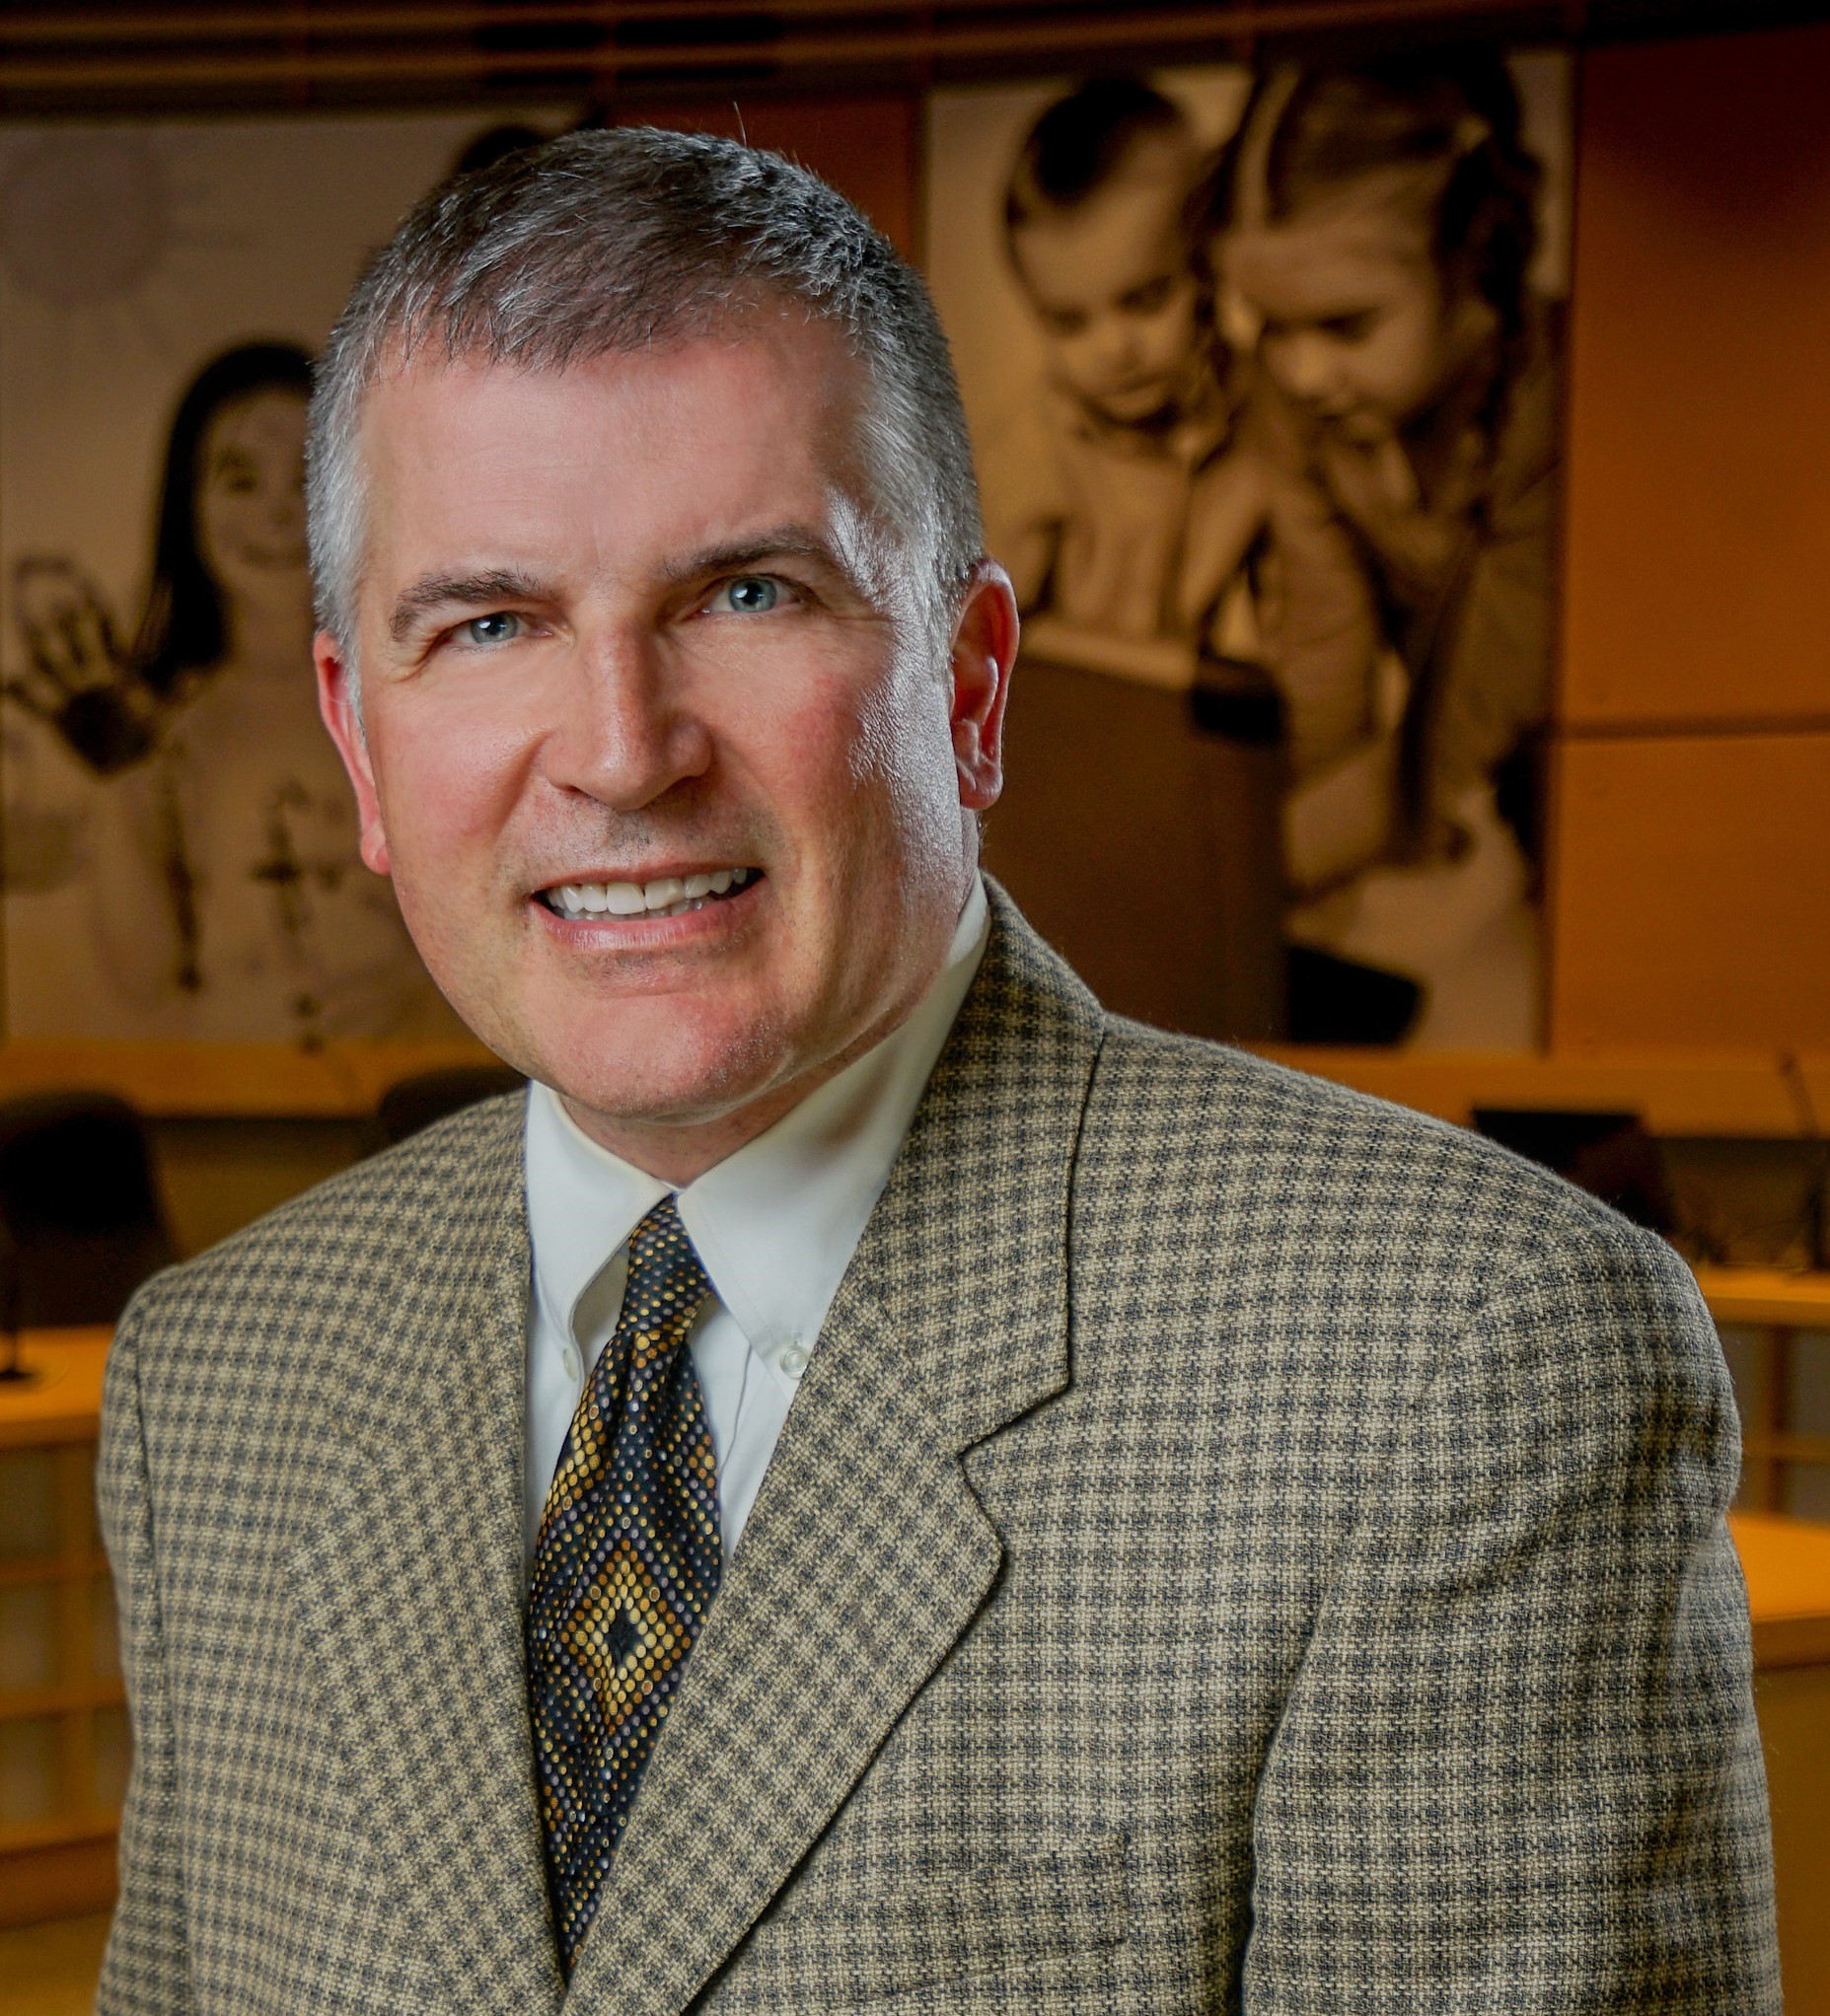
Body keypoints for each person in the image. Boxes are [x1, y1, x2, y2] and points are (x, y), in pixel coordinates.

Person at [95, 128, 1774, 2014]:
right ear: (358, 734)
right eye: (488, 623)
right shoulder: (212, 1386)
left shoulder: (1456, 1361)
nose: (622, 751)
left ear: (969, 685)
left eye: (746, 594)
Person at [979, 78, 1380, 1043]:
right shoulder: (1020, 459)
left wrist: (1265, 812)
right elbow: (966, 683)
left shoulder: (1267, 430)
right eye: (1069, 322)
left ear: (1207, 270)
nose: (1112, 349)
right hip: (1058, 835)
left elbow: (1331, 647)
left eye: (1144, 300)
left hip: (1207, 817)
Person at [1216, 59, 1557, 1045]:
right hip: (1445, 788)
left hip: (1548, 788)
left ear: (1475, 261)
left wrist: (1399, 861)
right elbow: (1324, 651)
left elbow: (1478, 710)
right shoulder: (1296, 409)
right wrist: (1256, 883)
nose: (1301, 369)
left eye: (1344, 325)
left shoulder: (1547, 404)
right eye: (1269, 328)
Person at [3, 341, 453, 1043]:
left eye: (305, 481)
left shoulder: (427, 704)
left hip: (414, 1096)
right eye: (239, 481)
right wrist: (116, 782)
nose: (277, 513)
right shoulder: (165, 725)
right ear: (188, 505)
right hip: (236, 1114)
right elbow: (141, 973)